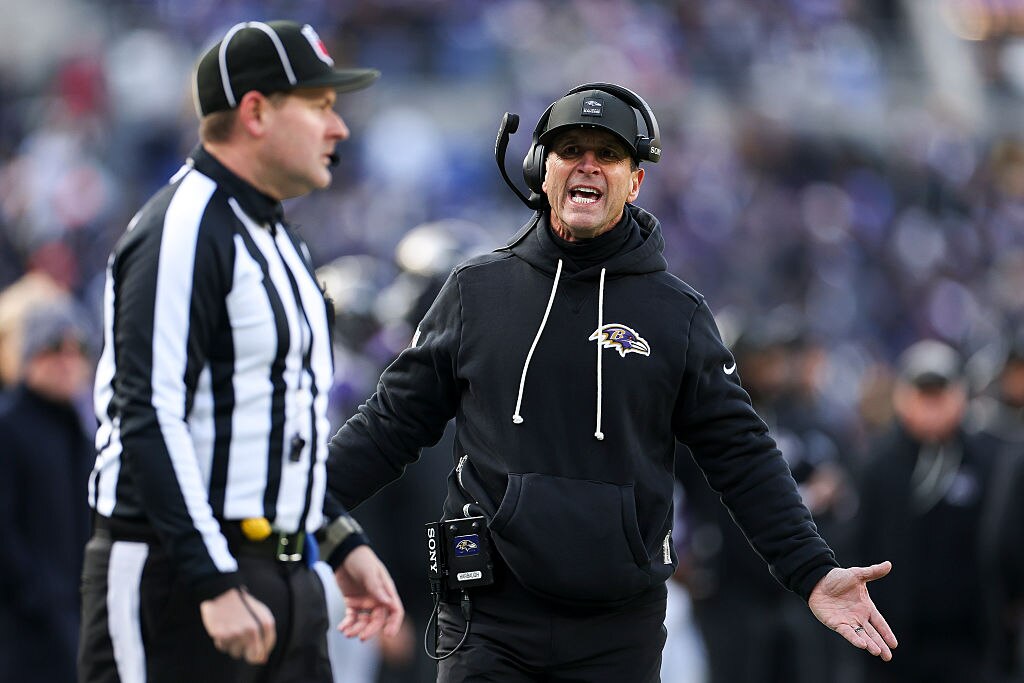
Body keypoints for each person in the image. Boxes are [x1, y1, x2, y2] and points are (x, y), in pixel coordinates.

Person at [326, 82, 897, 681]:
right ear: (542, 170)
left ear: (635, 180)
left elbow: (741, 454)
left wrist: (812, 570)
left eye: (608, 154)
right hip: (488, 619)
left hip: (617, 630)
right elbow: (390, 425)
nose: (588, 165)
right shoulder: (475, 291)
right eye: (571, 150)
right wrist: (300, 503)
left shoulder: (676, 315)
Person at [78, 20, 404, 683]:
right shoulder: (183, 227)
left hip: (281, 569)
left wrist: (338, 538)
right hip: (183, 576)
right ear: (255, 112)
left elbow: (276, 425)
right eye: (319, 105)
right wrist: (209, 577)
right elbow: (148, 412)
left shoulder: (278, 237)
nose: (339, 128)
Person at [853, 339, 1002, 682]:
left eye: (941, 394)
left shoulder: (987, 460)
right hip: (893, 640)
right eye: (923, 394)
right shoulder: (878, 464)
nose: (932, 407)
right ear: (902, 397)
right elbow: (859, 542)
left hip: (970, 639)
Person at [0, 300, 94, 682]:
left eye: (77, 349)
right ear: (30, 357)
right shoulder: (9, 427)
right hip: (24, 633)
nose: (67, 361)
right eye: (54, 348)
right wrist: (36, 595)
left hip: (75, 621)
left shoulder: (81, 432)